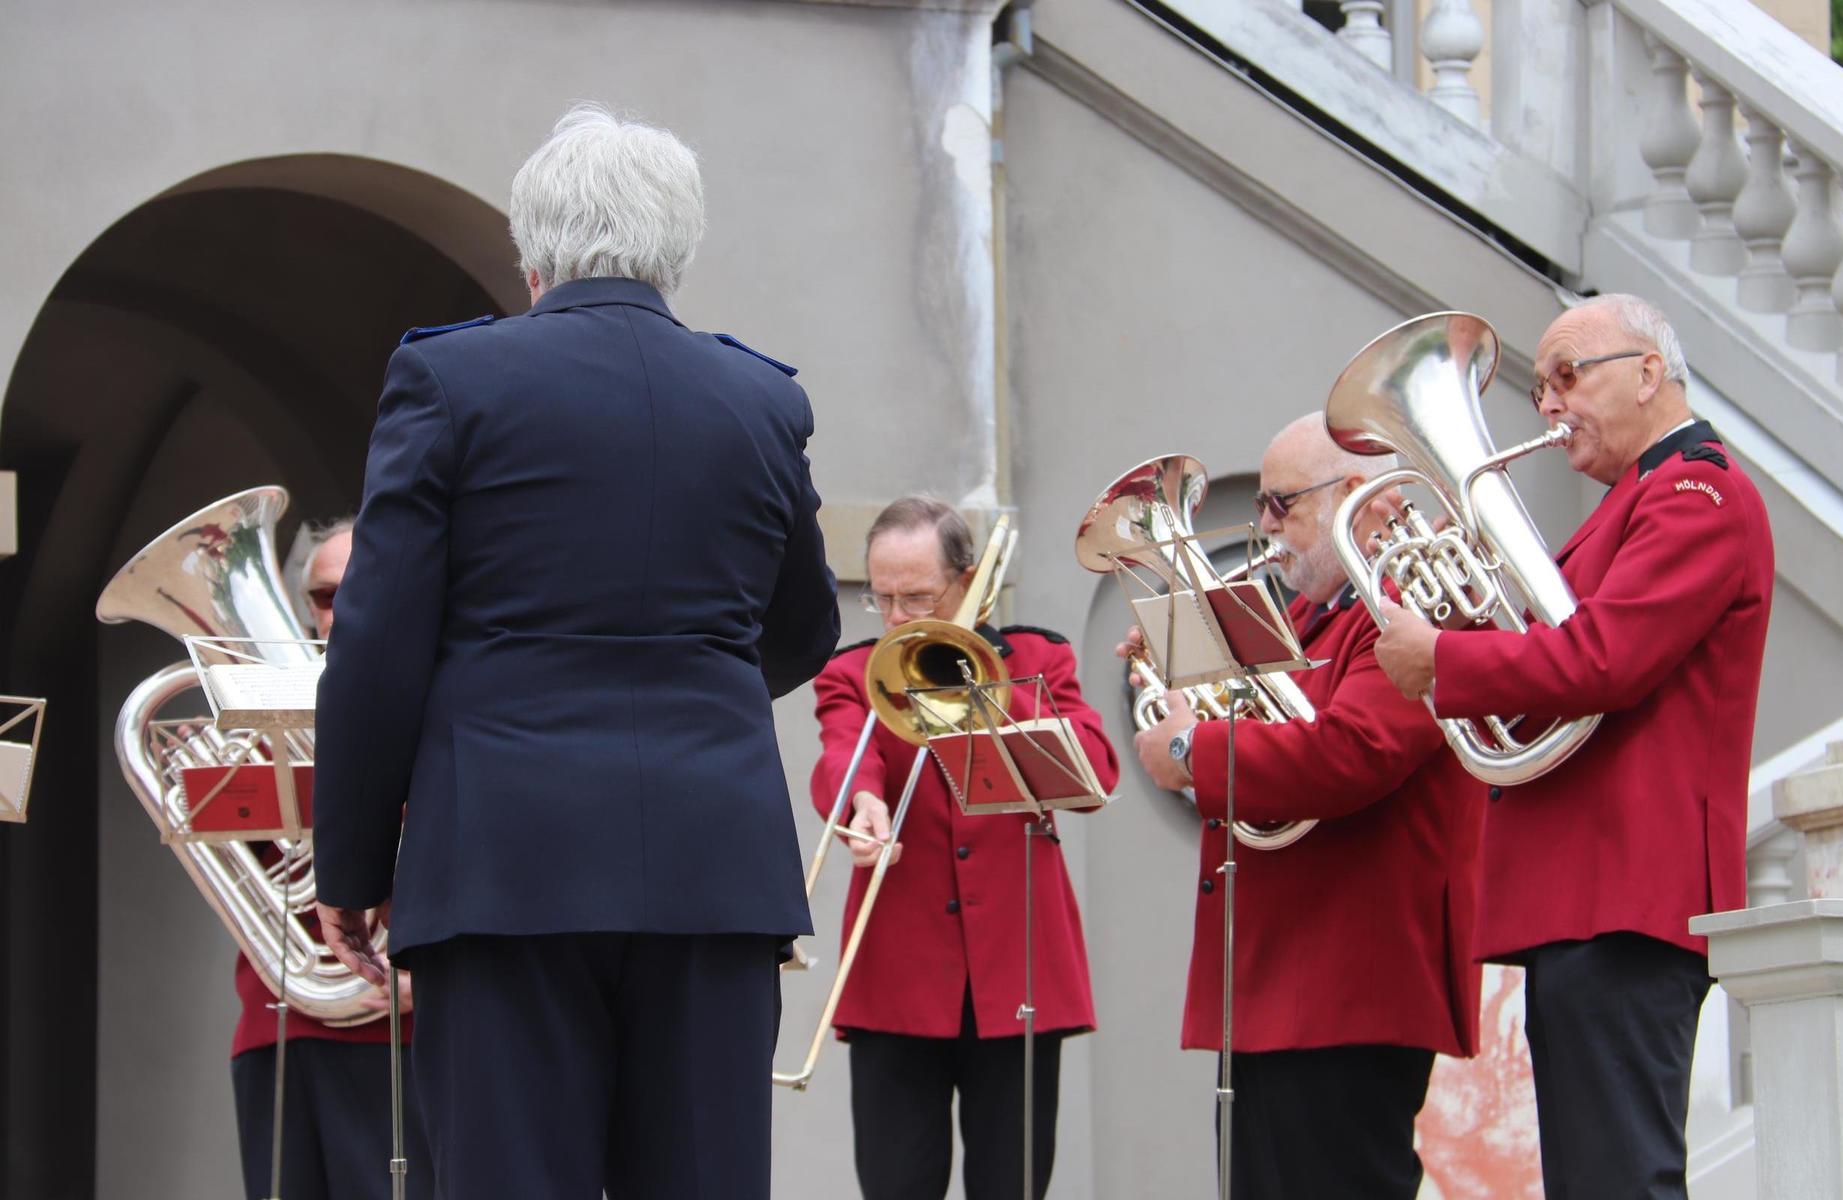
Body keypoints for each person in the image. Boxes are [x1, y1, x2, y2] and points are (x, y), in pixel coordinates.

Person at [311, 102, 840, 1200]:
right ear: (678, 249)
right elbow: (801, 629)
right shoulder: (763, 399)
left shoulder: (452, 382)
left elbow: (376, 644)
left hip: (506, 864)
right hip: (713, 866)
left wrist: (353, 868)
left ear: (532, 246)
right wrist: (691, 701)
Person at [1372, 294, 1774, 1200]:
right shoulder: (1639, 501)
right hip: (1590, 893)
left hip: (1627, 889)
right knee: (1595, 1180)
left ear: (1648, 371)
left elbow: (1601, 660)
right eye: (1539, 388)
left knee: (1618, 1179)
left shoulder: (1696, 491)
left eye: (1567, 376)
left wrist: (1445, 657)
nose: (1548, 405)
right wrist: (1452, 616)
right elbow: (1554, 649)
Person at [1125, 417, 1483, 1198]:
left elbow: (1350, 754)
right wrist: (1179, 673)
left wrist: (1192, 751)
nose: (1265, 527)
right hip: (1279, 980)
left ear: (1357, 495)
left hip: (1348, 981)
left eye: (1281, 504)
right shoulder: (1316, 617)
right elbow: (1273, 733)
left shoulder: (1414, 604)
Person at [810, 496, 1120, 1200]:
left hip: (1021, 972)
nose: (896, 620)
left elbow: (1094, 773)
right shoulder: (854, 671)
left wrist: (997, 691)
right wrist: (862, 801)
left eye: (917, 598)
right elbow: (843, 752)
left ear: (969, 580)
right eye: (881, 599)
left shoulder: (1040, 658)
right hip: (898, 977)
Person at [228, 516, 435, 1200]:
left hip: (419, 1032)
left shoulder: (453, 712)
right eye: (322, 596)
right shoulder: (259, 732)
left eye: (360, 587)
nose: (342, 611)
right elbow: (239, 878)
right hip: (282, 1030)